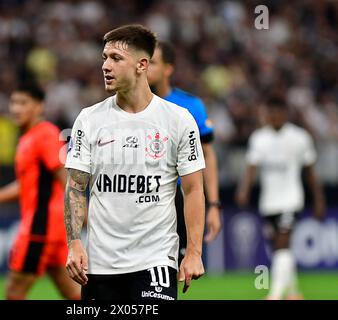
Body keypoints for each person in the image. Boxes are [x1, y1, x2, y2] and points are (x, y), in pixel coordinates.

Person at [64, 24, 206, 300]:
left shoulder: (178, 120)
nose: (105, 65)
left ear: (142, 64)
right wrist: (74, 243)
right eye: (104, 57)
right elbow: (76, 187)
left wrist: (193, 252)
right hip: (100, 264)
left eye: (116, 58)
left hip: (155, 260)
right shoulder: (89, 120)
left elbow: (193, 190)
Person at [0, 82, 80, 300]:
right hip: (54, 229)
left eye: (23, 103)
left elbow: (64, 175)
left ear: (39, 106)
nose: (16, 109)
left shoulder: (44, 133)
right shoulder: (28, 138)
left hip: (40, 228)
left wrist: (82, 211)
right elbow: (27, 185)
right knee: (74, 295)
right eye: (13, 102)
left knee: (14, 293)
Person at [236, 96, 326, 300]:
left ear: (285, 114)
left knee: (283, 244)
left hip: (291, 200)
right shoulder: (259, 138)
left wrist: (319, 200)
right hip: (269, 203)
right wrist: (244, 190)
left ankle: (274, 295)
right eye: (271, 112)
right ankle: (294, 292)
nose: (274, 116)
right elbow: (251, 168)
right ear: (266, 114)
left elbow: (310, 171)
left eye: (278, 112)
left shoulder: (299, 137)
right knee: (279, 248)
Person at [147, 42, 222, 264]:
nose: (144, 67)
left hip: (174, 202)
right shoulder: (125, 106)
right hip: (135, 200)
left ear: (168, 69)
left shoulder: (189, 106)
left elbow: (207, 154)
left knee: (170, 271)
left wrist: (215, 205)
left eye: (152, 62)